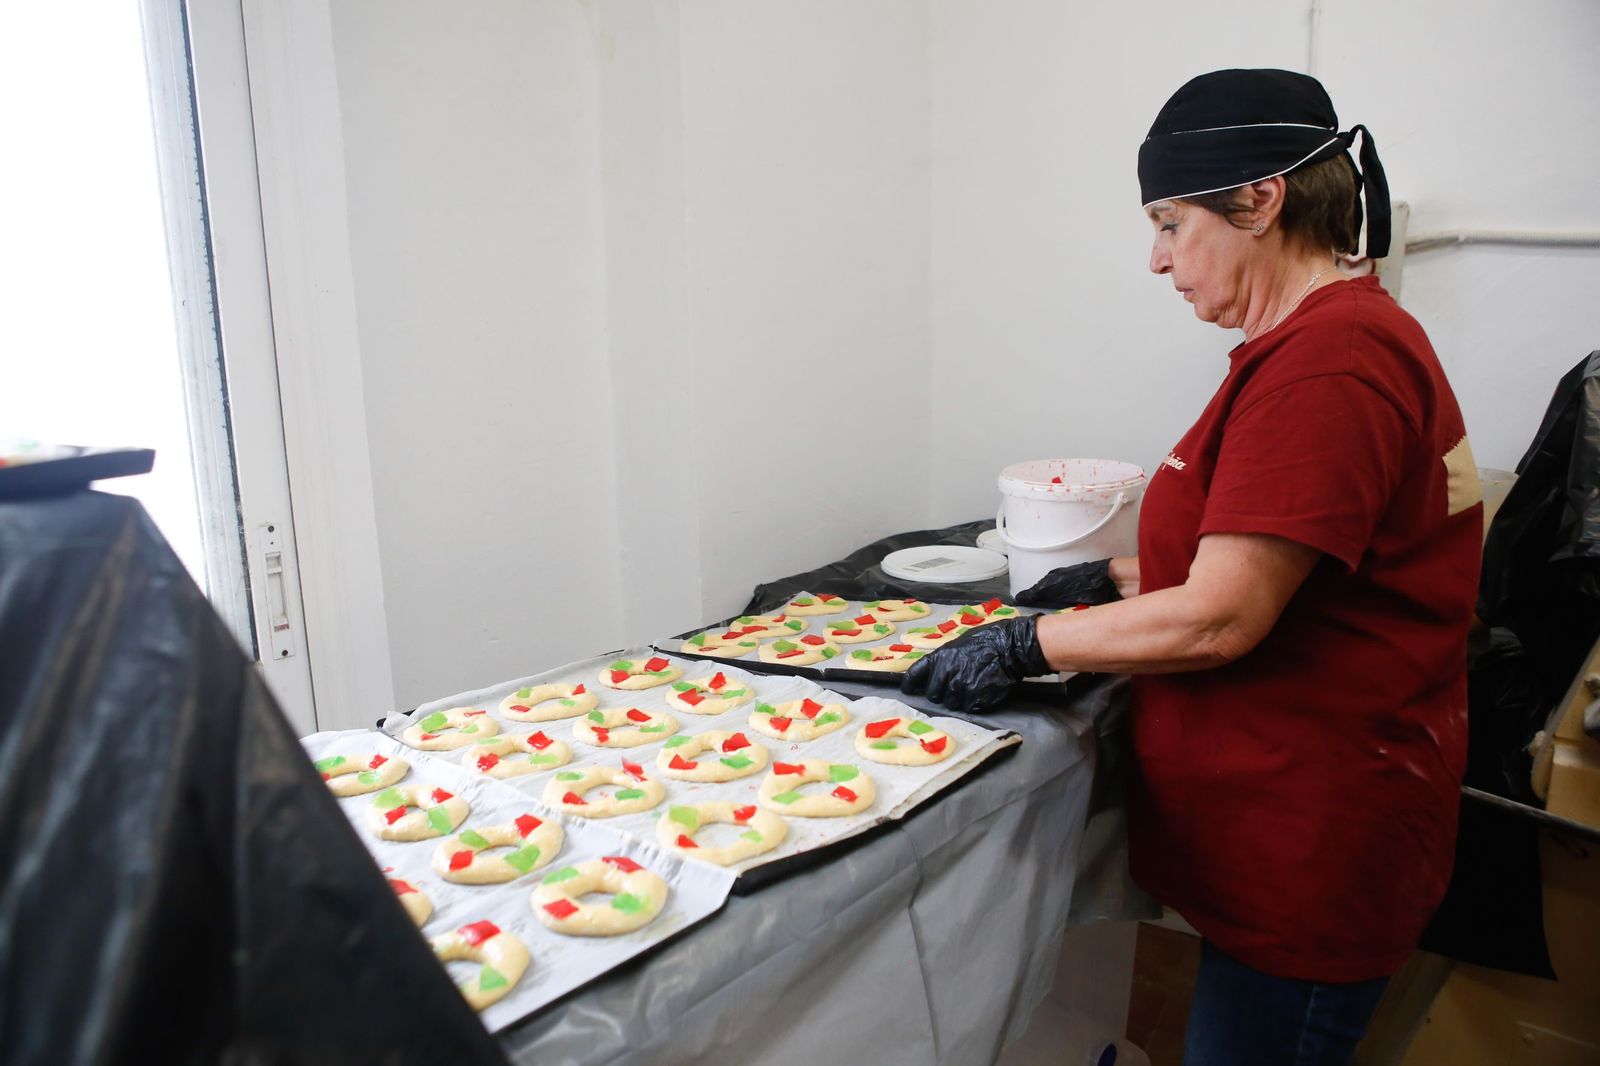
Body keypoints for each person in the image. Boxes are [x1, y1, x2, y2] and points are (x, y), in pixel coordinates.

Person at [903, 69, 1482, 1065]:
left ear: (1259, 199)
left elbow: (1223, 616)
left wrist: (1027, 644)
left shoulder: (1327, 367)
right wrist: (1113, 582)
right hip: (1307, 819)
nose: (1157, 259)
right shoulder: (1329, 341)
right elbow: (1283, 571)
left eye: (1170, 223)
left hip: (1310, 845)